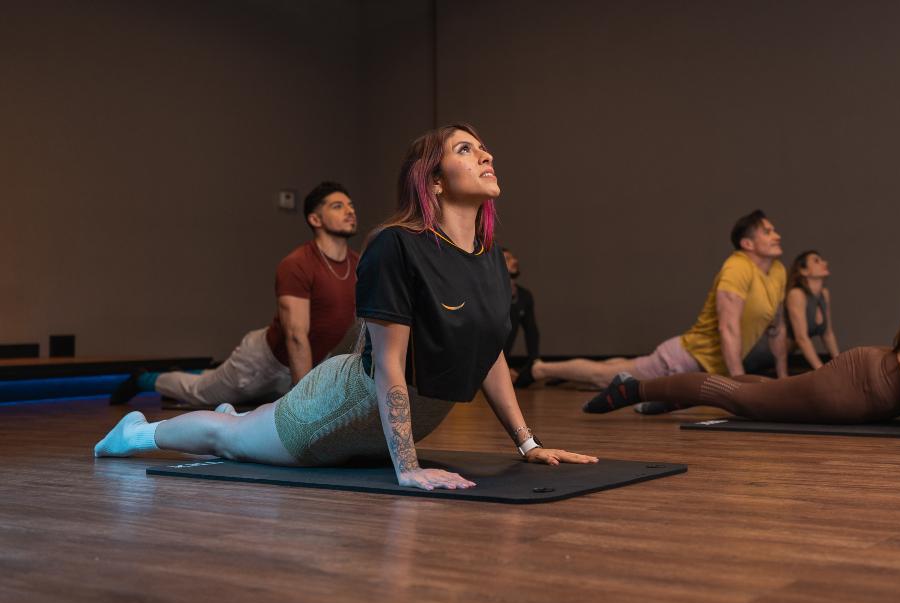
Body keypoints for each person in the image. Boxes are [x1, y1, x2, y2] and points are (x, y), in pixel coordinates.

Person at [96, 124, 597, 490]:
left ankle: (248, 419)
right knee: (226, 438)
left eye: (484, 147)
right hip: (330, 415)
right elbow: (388, 364)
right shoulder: (397, 245)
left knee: (246, 427)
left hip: (389, 430)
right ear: (435, 181)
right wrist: (407, 467)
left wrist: (528, 446)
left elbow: (489, 357)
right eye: (466, 149)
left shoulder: (488, 260)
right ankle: (139, 430)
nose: (486, 155)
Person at [583, 176, 900, 440]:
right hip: (862, 388)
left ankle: (674, 394)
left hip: (886, 395)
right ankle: (634, 387)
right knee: (743, 400)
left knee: (766, 391)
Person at [110, 182, 361, 407]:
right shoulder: (298, 264)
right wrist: (304, 398)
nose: (349, 211)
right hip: (263, 363)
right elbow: (295, 335)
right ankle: (143, 378)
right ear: (315, 220)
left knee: (237, 394)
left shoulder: (359, 264)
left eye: (350, 205)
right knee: (199, 393)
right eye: (338, 206)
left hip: (305, 364)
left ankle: (200, 372)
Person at [518, 210, 790, 391]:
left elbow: (776, 326)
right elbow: (728, 328)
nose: (776, 235)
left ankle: (561, 373)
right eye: (767, 231)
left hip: (701, 364)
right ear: (748, 244)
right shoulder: (738, 267)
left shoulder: (777, 271)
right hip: (686, 360)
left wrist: (783, 378)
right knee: (603, 377)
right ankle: (542, 369)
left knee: (617, 369)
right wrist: (738, 385)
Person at [785, 250, 841, 370]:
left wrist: (841, 366)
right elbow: (802, 338)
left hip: (789, 356)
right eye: (816, 261)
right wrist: (821, 370)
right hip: (774, 357)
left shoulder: (824, 294)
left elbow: (827, 333)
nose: (825, 263)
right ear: (803, 270)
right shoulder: (797, 294)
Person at [502, 247, 541, 385]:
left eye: (513, 258)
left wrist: (533, 362)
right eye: (507, 259)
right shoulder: (491, 294)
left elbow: (531, 332)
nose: (515, 261)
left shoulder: (524, 296)